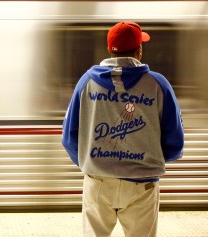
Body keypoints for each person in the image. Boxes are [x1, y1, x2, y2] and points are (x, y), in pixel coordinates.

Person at [62, 21, 184, 237]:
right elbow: (174, 140)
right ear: (139, 50)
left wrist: (92, 163)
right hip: (142, 185)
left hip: (98, 182)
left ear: (109, 49)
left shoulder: (86, 83)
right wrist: (151, 159)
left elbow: (69, 137)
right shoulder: (158, 84)